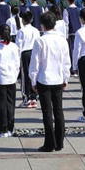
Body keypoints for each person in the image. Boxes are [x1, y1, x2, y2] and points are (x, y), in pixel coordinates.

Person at [29, 11, 71, 152]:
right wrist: (66, 78)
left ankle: (49, 143)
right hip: (58, 79)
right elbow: (66, 62)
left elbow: (35, 63)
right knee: (59, 111)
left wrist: (33, 80)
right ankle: (59, 142)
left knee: (47, 112)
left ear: (42, 25)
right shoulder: (62, 40)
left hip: (44, 79)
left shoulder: (40, 41)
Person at [0, 24, 20, 138]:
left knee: (1, 105)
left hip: (0, 80)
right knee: (11, 104)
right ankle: (10, 128)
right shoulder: (14, 47)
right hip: (11, 79)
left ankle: (2, 129)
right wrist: (15, 76)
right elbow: (17, 64)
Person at [16, 10, 39, 108]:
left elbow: (18, 45)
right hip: (34, 52)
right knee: (33, 74)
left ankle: (27, 98)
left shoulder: (21, 31)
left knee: (25, 75)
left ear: (23, 20)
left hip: (25, 53)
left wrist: (17, 57)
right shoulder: (35, 30)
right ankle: (34, 98)